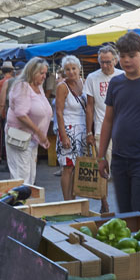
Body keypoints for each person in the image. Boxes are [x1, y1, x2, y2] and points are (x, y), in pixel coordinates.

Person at [98, 32, 140, 216]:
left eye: (132, 55)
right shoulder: (115, 83)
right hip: (119, 158)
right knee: (124, 212)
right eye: (123, 56)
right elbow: (108, 120)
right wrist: (101, 156)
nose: (127, 60)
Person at [84, 45, 124, 213]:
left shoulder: (123, 76)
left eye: (108, 62)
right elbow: (90, 107)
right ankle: (104, 201)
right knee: (102, 168)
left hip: (122, 130)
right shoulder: (92, 78)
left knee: (121, 169)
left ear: (116, 60)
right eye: (102, 62)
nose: (105, 66)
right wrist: (89, 132)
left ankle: (123, 204)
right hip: (101, 130)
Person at [5, 57, 52, 184]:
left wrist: (40, 134)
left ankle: (27, 201)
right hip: (21, 136)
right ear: (32, 72)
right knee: (21, 175)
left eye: (45, 73)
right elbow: (21, 113)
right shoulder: (22, 86)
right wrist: (39, 132)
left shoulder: (38, 87)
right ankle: (20, 203)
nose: (44, 76)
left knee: (30, 175)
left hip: (31, 138)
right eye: (41, 73)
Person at [56, 55, 87, 201]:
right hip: (68, 129)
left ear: (79, 69)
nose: (71, 72)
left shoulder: (83, 83)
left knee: (77, 167)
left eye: (73, 68)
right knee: (68, 167)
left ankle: (73, 200)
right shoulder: (62, 87)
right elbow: (59, 112)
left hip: (81, 130)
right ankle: (67, 201)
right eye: (67, 69)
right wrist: (63, 135)